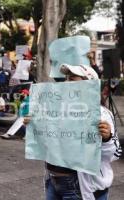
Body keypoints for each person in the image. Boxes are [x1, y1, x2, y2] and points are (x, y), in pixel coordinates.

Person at [24, 64, 122, 200]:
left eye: (72, 79)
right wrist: (35, 127)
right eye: (66, 78)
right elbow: (49, 145)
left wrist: (107, 138)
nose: (66, 83)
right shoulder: (56, 110)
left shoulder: (100, 114)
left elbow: (114, 154)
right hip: (53, 182)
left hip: (81, 187)